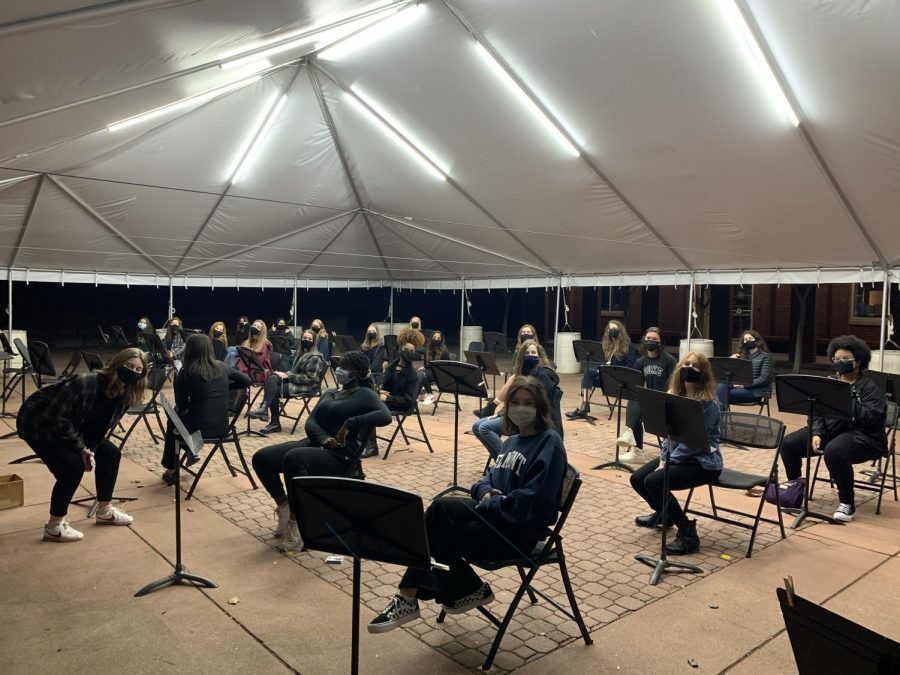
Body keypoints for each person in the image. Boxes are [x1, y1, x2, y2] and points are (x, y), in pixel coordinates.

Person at [368, 376, 567, 634]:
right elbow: (485, 480)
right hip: (494, 521)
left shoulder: (549, 442)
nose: (521, 408)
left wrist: (490, 502)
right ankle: (447, 591)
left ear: (540, 407)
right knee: (437, 530)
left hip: (518, 533)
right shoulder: (511, 442)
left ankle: (443, 592)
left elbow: (531, 501)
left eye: (528, 403)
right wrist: (486, 496)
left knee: (439, 512)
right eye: (515, 402)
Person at [251, 351, 392, 551]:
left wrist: (349, 423)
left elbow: (386, 416)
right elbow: (311, 421)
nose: (339, 369)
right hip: (316, 443)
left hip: (341, 455)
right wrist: (324, 439)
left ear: (357, 373)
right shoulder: (330, 393)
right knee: (262, 458)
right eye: (339, 364)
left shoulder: (365, 394)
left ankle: (298, 523)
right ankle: (285, 507)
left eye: (345, 367)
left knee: (294, 459)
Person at [16, 348, 148, 542]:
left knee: (110, 454)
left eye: (138, 370)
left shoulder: (126, 393)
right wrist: (80, 449)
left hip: (77, 426)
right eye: (128, 366)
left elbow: (100, 427)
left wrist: (90, 450)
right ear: (116, 364)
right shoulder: (86, 383)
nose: (132, 372)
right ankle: (54, 526)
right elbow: (58, 419)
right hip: (40, 424)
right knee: (72, 468)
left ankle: (104, 511)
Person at [778, 335, 887, 522]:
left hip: (863, 436)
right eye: (837, 359)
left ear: (858, 362)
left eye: (846, 359)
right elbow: (816, 411)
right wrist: (816, 432)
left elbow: (872, 418)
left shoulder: (870, 388)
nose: (841, 363)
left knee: (834, 451)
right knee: (788, 444)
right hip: (830, 431)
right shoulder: (829, 383)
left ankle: (847, 503)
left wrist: (848, 395)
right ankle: (795, 490)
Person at [629, 351, 722, 555]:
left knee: (653, 481)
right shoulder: (675, 396)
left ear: (704, 373)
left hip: (703, 462)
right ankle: (665, 515)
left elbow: (693, 442)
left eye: (696, 366)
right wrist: (664, 458)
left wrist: (669, 461)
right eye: (686, 364)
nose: (689, 368)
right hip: (678, 456)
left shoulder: (707, 403)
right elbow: (667, 435)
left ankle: (688, 532)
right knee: (637, 478)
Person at [161, 335, 252, 485]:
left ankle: (173, 468)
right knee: (179, 420)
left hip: (198, 430)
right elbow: (247, 380)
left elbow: (182, 405)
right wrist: (224, 388)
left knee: (173, 421)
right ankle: (190, 451)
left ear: (189, 351)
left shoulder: (185, 373)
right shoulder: (221, 367)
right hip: (223, 427)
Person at [472, 340, 562, 459]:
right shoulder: (523, 372)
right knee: (476, 425)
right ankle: (502, 462)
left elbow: (539, 405)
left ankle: (508, 461)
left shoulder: (543, 375)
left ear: (540, 356)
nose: (530, 355)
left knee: (485, 428)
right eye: (527, 353)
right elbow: (514, 400)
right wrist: (501, 414)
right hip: (517, 414)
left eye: (533, 353)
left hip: (533, 421)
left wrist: (506, 415)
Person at [248, 330, 327, 435]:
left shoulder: (315, 357)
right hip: (295, 381)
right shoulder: (301, 354)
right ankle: (264, 410)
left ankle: (272, 420)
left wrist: (288, 375)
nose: (306, 340)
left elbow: (309, 379)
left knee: (273, 390)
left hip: (307, 386)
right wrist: (282, 374)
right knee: (271, 378)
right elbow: (294, 372)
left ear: (314, 342)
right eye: (304, 338)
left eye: (309, 339)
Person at [618, 327, 677, 465]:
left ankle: (628, 432)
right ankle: (635, 449)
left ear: (660, 342)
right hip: (649, 402)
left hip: (665, 403)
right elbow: (634, 384)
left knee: (637, 403)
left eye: (654, 339)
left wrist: (672, 391)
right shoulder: (641, 362)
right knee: (635, 399)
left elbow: (677, 381)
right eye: (648, 338)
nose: (651, 341)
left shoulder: (669, 360)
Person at [567, 320, 636, 419]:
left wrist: (613, 369)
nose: (611, 331)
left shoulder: (628, 346)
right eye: (609, 329)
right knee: (588, 373)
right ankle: (583, 405)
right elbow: (597, 362)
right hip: (603, 377)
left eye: (614, 329)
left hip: (617, 380)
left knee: (588, 374)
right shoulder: (605, 345)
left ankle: (582, 408)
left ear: (620, 331)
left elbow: (630, 366)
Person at [715, 330, 774, 410]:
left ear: (757, 340)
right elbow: (729, 374)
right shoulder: (743, 357)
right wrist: (731, 361)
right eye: (745, 340)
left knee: (720, 393)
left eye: (750, 338)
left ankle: (719, 417)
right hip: (739, 387)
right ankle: (720, 416)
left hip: (754, 392)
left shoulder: (765, 357)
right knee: (722, 385)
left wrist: (744, 385)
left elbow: (764, 379)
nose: (747, 341)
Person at [238, 318, 273, 384]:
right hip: (245, 372)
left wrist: (242, 374)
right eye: (254, 326)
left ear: (261, 331)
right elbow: (241, 361)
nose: (255, 328)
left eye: (258, 327)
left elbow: (258, 362)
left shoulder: (265, 345)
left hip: (259, 373)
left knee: (239, 380)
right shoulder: (245, 343)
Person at [420, 330, 450, 405]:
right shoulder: (428, 349)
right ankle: (425, 394)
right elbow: (426, 364)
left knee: (421, 375)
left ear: (442, 340)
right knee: (417, 374)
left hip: (439, 374)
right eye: (434, 337)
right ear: (431, 338)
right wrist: (423, 368)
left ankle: (427, 394)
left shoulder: (444, 352)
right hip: (429, 372)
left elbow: (447, 367)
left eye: (438, 338)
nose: (436, 339)